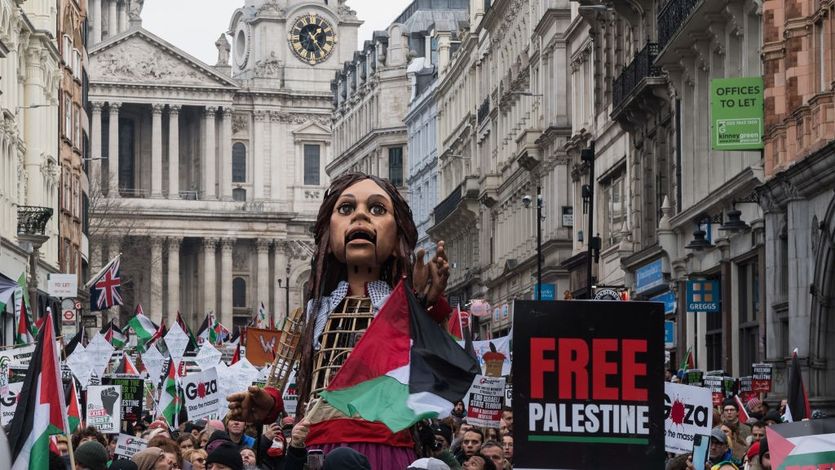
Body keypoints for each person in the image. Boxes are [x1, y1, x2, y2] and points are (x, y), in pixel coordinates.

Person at [227, 173, 453, 468]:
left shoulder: (403, 308)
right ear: (328, 231)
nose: (360, 215)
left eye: (377, 209)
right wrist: (265, 402)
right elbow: (276, 383)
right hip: (320, 445)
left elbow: (442, 373)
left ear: (397, 232)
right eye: (346, 208)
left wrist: (427, 305)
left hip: (388, 446)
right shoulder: (311, 314)